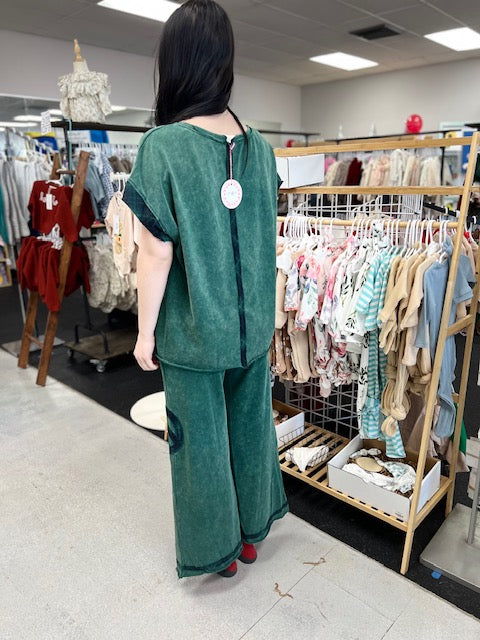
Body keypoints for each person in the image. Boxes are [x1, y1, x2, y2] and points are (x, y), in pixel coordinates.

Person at [123, 0, 288, 579]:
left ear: (175, 63)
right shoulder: (261, 148)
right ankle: (251, 534)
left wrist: (144, 333)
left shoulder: (163, 146)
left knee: (200, 446)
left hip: (194, 329)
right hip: (252, 326)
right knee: (250, 430)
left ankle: (218, 552)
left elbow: (156, 252)